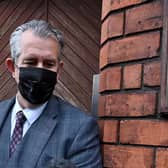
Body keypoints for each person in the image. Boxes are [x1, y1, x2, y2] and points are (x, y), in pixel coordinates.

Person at [0, 20, 102, 168]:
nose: (40, 72)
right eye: (30, 62)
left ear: (58, 71)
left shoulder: (81, 128)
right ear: (12, 68)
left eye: (48, 64)